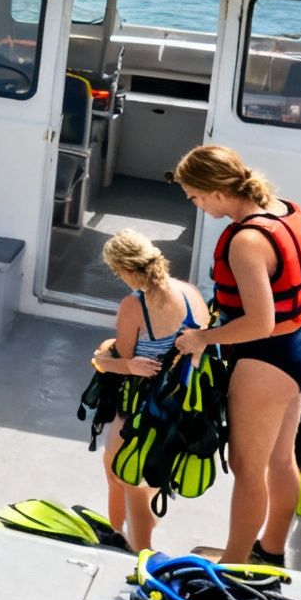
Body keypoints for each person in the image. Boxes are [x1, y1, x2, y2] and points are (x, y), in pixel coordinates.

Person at [171, 145, 301, 568]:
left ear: (217, 192)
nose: (196, 206)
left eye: (195, 198)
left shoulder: (246, 241)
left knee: (247, 468)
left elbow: (259, 322)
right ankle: (271, 551)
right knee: (280, 458)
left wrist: (202, 337)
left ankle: (232, 568)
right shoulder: (287, 209)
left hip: (268, 360)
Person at [90, 229, 209, 551]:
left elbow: (126, 360)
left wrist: (101, 359)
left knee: (125, 479)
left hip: (145, 411)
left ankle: (131, 551)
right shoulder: (191, 293)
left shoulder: (135, 305)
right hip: (184, 409)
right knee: (148, 483)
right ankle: (118, 539)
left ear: (127, 270)